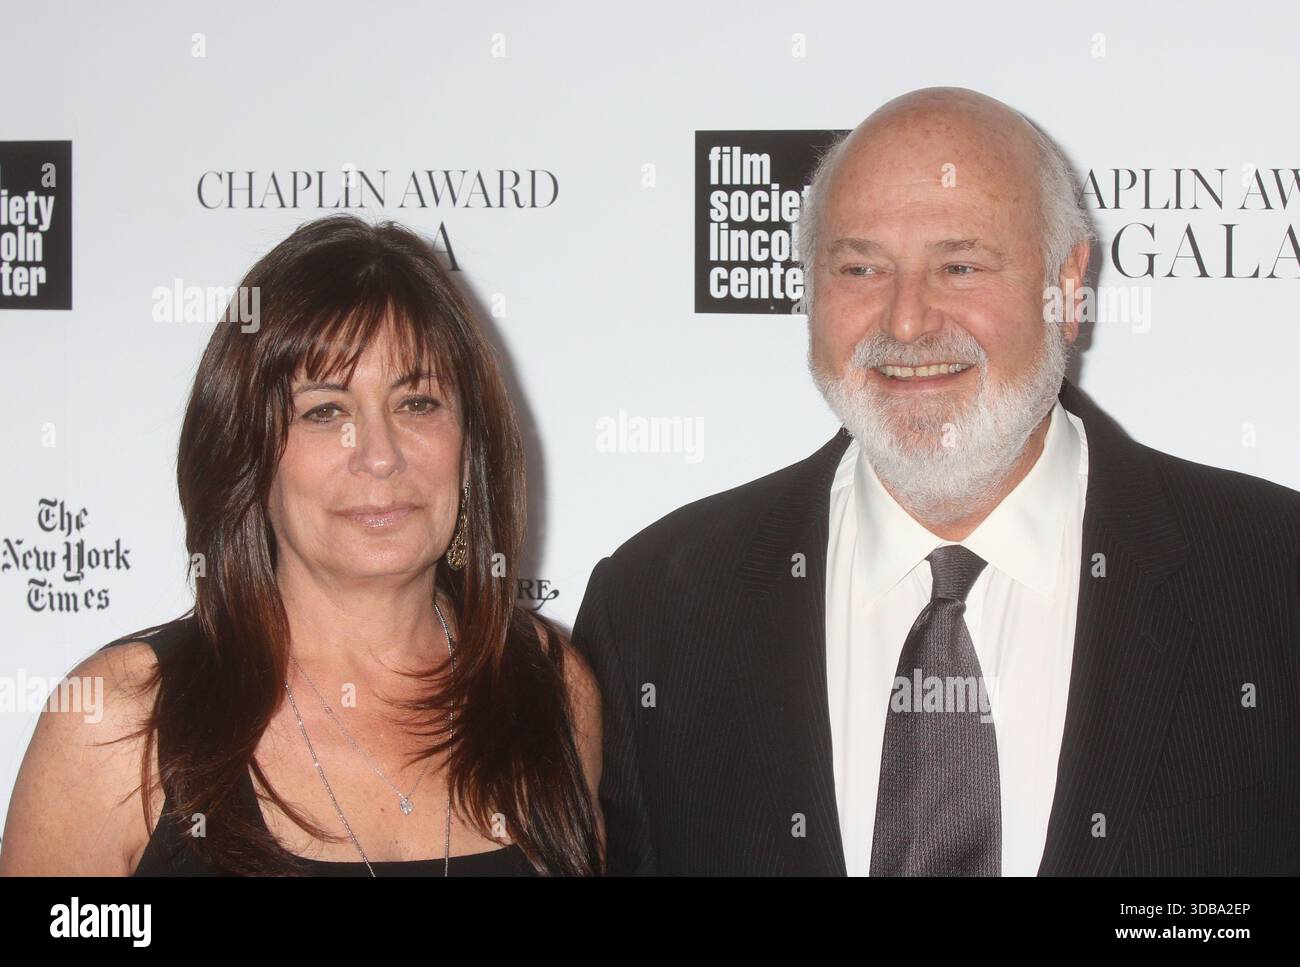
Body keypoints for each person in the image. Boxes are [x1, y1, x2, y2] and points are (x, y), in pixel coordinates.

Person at [572, 87, 1300, 876]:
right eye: (860, 267)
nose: (908, 320)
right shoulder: (653, 611)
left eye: (959, 265)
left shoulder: (1273, 578)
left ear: (1068, 287)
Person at [0, 215, 604, 876]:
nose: (378, 455)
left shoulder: (547, 685)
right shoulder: (119, 722)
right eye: (325, 411)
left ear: (470, 445)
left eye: (417, 403)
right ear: (246, 452)